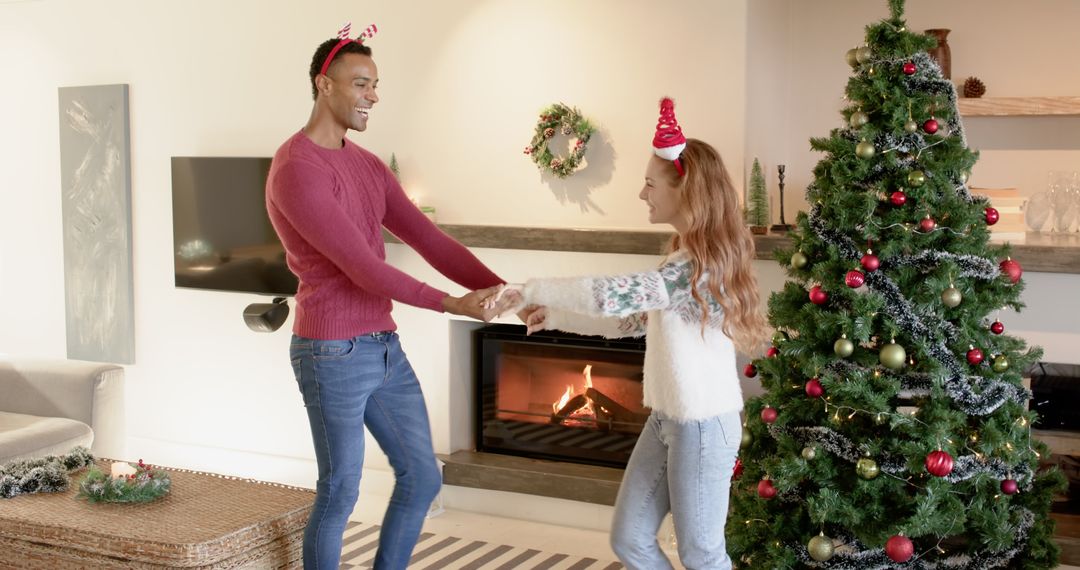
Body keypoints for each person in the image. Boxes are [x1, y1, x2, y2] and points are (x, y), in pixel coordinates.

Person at [265, 25, 512, 570]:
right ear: (322, 85)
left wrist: (502, 291)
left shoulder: (369, 166)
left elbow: (428, 240)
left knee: (422, 476)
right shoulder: (296, 170)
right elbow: (362, 266)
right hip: (330, 352)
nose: (373, 95)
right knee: (340, 490)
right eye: (360, 83)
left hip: (381, 346)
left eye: (375, 84)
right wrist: (451, 304)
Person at [495, 99, 768, 569]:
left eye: (648, 183)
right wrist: (551, 316)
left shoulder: (693, 270)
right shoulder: (681, 259)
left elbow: (612, 295)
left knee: (703, 557)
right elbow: (631, 320)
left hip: (702, 427)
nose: (642, 194)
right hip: (668, 419)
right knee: (630, 540)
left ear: (684, 190)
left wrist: (530, 289)